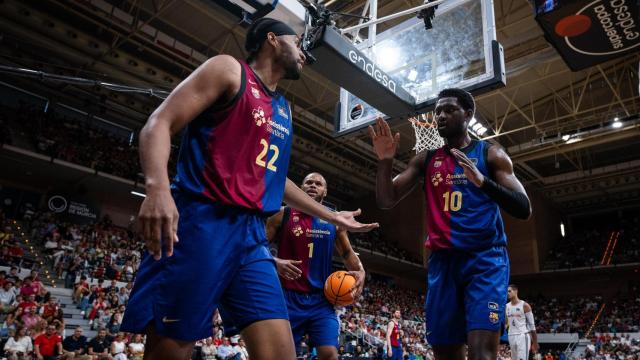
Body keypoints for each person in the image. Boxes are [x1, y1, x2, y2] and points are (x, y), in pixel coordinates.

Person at [120, 16, 378, 360]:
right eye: (298, 43)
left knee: (280, 353)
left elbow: (278, 181)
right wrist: (157, 189)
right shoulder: (228, 70)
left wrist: (333, 218)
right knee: (172, 346)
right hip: (203, 221)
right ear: (272, 39)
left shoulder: (284, 110)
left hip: (252, 236)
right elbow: (159, 123)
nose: (304, 54)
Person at [369, 88, 531, 360]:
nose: (441, 116)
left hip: (484, 261)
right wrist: (385, 162)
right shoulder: (426, 159)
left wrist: (483, 182)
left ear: (467, 115)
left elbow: (524, 208)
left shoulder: (491, 154)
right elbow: (386, 200)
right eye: (438, 112)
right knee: (445, 353)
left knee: (482, 353)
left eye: (449, 110)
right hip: (443, 262)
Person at [265, 172, 366, 359]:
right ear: (300, 188)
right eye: (308, 182)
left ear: (325, 191)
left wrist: (360, 270)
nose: (313, 185)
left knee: (329, 354)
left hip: (321, 300)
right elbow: (257, 245)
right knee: (283, 355)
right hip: (287, 298)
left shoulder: (334, 221)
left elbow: (346, 253)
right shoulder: (282, 214)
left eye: (318, 184)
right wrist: (276, 261)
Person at [506, 284, 539, 360]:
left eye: (509, 291)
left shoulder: (525, 305)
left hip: (522, 335)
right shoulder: (506, 306)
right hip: (511, 335)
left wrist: (535, 342)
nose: (507, 293)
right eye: (506, 292)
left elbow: (532, 326)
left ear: (516, 291)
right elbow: (506, 324)